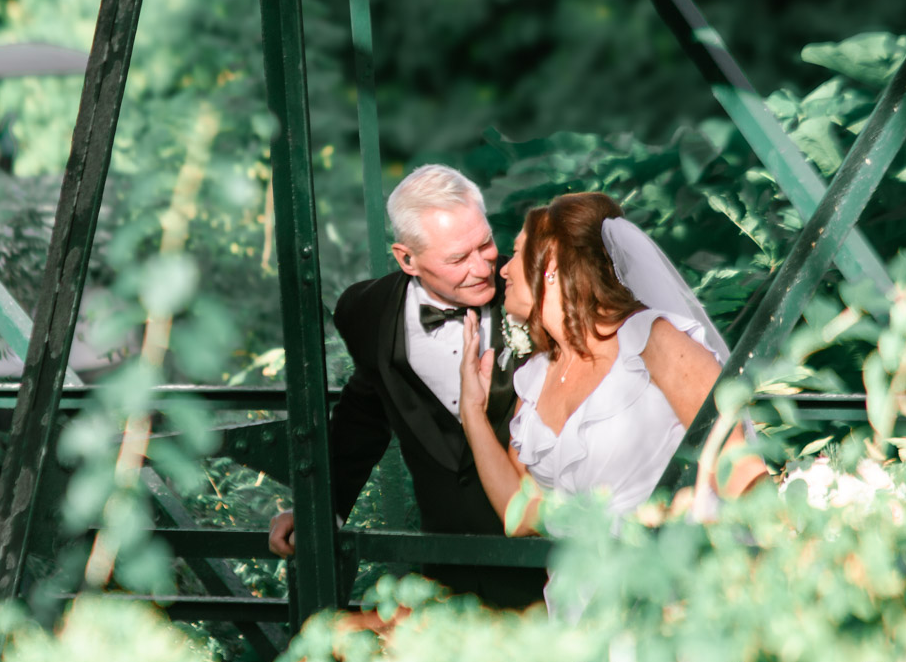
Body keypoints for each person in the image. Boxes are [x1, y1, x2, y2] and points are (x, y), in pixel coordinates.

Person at [268, 165, 547, 608]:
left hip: (544, 558)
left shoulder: (535, 293)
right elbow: (365, 411)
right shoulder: (367, 312)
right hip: (444, 563)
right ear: (407, 259)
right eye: (458, 258)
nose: (482, 267)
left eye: (486, 244)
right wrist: (322, 509)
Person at [457, 192, 766, 544]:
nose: (504, 269)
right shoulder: (534, 378)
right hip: (576, 593)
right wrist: (472, 412)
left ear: (551, 262)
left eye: (518, 250)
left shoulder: (655, 341)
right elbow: (523, 516)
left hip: (668, 581)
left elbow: (737, 466)